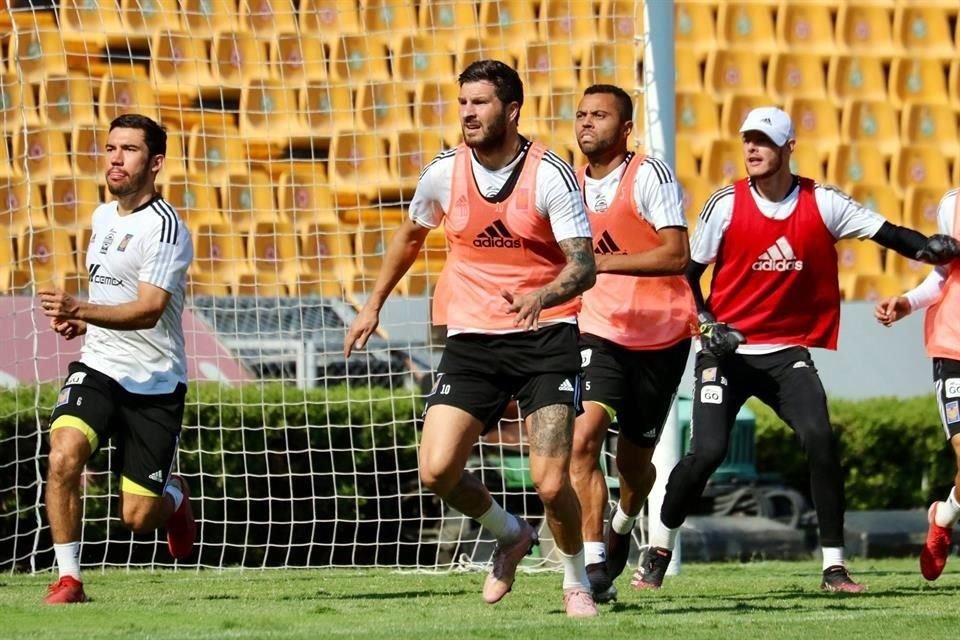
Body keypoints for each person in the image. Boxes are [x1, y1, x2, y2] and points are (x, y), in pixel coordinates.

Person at [633, 106, 958, 594]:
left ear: (788, 149)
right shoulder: (724, 203)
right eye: (747, 140)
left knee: (821, 440)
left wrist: (930, 249)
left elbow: (889, 234)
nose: (752, 149)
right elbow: (687, 276)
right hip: (727, 351)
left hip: (786, 353)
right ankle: (658, 550)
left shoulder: (823, 201)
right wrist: (706, 324)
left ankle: (833, 566)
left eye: (764, 141)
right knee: (707, 452)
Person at [343, 60, 599, 617]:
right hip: (473, 342)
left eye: (479, 103)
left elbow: (584, 267)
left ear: (510, 111)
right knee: (435, 470)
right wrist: (373, 304)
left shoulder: (550, 174)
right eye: (462, 103)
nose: (467, 113)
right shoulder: (443, 172)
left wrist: (543, 296)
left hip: (544, 337)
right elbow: (411, 235)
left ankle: (576, 580)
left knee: (552, 483)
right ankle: (510, 534)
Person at [39, 114, 195, 604]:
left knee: (138, 518)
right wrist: (83, 324)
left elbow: (149, 310)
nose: (115, 158)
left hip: (154, 383)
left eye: (128, 149)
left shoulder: (168, 229)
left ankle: (174, 499)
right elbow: (116, 297)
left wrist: (79, 307)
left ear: (156, 163)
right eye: (110, 148)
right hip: (99, 367)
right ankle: (70, 579)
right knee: (63, 454)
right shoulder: (102, 218)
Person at [568, 84, 695, 602]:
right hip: (598, 329)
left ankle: (625, 519)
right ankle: (595, 564)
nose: (586, 124)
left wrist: (599, 263)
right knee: (582, 437)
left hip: (660, 335)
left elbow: (676, 256)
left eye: (599, 115)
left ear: (625, 130)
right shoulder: (566, 183)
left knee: (634, 466)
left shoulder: (650, 175)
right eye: (580, 115)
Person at [875, 189, 960, 582]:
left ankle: (944, 515)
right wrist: (908, 302)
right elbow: (942, 273)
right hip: (953, 344)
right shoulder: (952, 205)